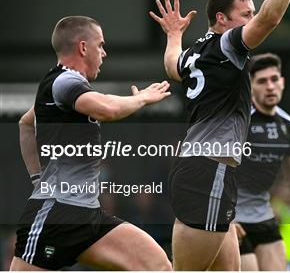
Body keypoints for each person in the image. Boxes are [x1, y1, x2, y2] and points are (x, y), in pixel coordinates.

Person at [149, 0, 290, 270]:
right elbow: (271, 17)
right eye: (245, 14)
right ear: (222, 19)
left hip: (204, 169)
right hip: (209, 170)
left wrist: (174, 35)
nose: (251, 19)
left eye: (251, 12)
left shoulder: (196, 53)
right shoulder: (226, 46)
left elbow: (172, 67)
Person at [11, 16, 172, 271]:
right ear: (83, 47)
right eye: (101, 45)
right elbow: (107, 108)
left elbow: (26, 123)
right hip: (56, 215)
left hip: (88, 214)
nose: (104, 53)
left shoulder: (60, 86)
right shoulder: (65, 81)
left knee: (156, 263)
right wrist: (142, 99)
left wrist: (36, 178)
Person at [227, 53, 290, 270]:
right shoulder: (236, 122)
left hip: (262, 215)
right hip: (232, 219)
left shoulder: (289, 126)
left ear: (282, 82)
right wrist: (226, 219)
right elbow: (213, 173)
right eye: (261, 81)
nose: (270, 86)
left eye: (274, 79)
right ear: (250, 87)